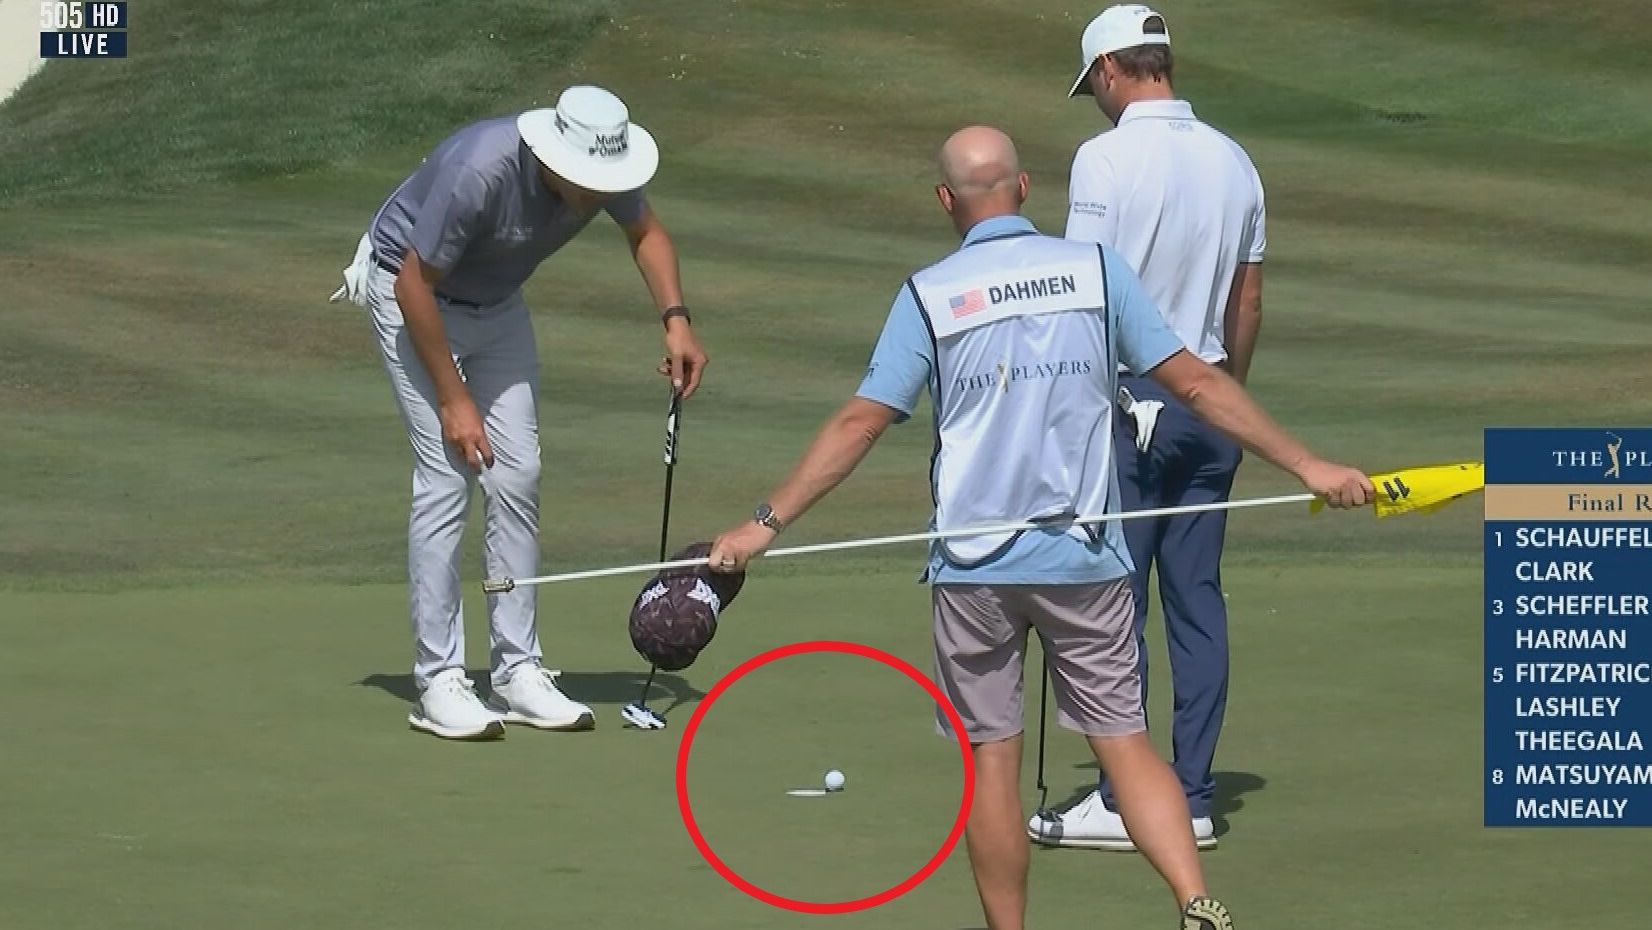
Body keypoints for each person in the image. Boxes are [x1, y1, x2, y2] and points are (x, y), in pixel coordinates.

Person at [706, 126, 1372, 930]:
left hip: (973, 571)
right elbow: (1196, 382)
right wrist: (1309, 467)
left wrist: (762, 525)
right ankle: (1195, 900)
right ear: (1024, 190)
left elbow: (860, 424)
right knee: (1125, 743)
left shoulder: (929, 293)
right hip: (1083, 557)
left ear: (947, 202)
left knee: (993, 762)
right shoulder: (1095, 271)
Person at [329, 85, 709, 740]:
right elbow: (413, 284)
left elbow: (646, 233)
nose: (598, 194)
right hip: (411, 293)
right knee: (449, 475)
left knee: (517, 473)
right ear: (553, 157)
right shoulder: (480, 170)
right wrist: (455, 400)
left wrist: (676, 321)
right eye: (588, 180)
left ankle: (516, 669)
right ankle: (439, 682)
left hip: (497, 305)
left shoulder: (602, 168)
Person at [1030, 4, 1268, 850]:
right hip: (1210, 407)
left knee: (1111, 605)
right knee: (1197, 601)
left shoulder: (1104, 157)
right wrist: (1226, 401)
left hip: (1128, 402)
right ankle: (1193, 798)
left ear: (1108, 72)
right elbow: (1246, 300)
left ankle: (1123, 798)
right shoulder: (1236, 161)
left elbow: (1080, 291)